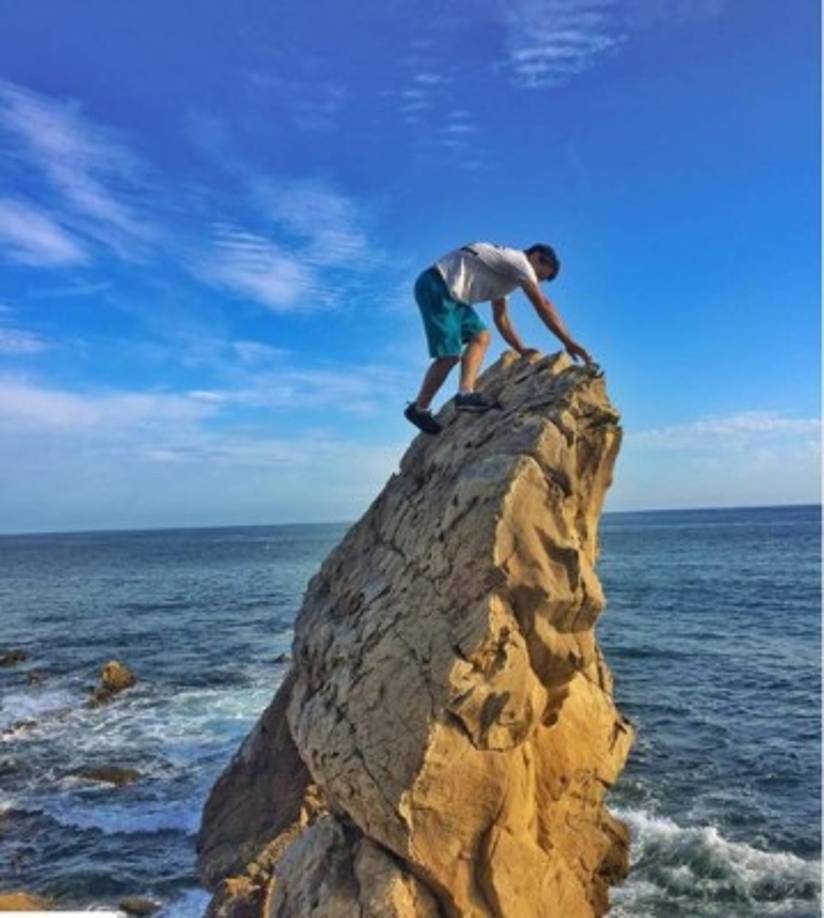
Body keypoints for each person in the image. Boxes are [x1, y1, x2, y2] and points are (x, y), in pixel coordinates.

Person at [404, 241, 593, 435]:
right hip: (437, 286)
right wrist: (568, 342)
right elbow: (543, 305)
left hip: (454, 297)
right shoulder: (520, 262)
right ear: (536, 257)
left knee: (481, 336)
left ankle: (465, 394)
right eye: (539, 275)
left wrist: (521, 349)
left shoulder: (506, 274)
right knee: (449, 356)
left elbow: (501, 319)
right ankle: (419, 410)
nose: (536, 281)